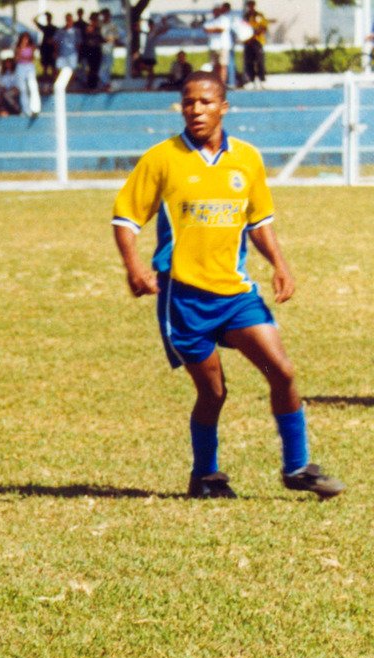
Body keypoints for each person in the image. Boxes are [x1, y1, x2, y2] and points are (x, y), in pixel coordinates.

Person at [111, 72, 343, 500]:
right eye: (187, 102)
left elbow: (259, 222)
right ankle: (205, 475)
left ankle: (296, 467)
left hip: (236, 295)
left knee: (284, 372)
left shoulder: (247, 159)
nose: (195, 110)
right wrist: (133, 265)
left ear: (223, 107)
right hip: (184, 298)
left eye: (204, 102)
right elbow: (125, 219)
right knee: (213, 392)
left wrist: (280, 264)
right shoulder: (162, 158)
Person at [242, 2, 268, 85]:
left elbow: (264, 27)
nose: (251, 7)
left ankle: (262, 80)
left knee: (260, 61)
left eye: (252, 5)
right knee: (249, 61)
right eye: (249, 5)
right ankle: (251, 80)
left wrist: (254, 34)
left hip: (257, 40)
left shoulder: (259, 15)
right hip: (248, 41)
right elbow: (243, 28)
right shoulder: (246, 16)